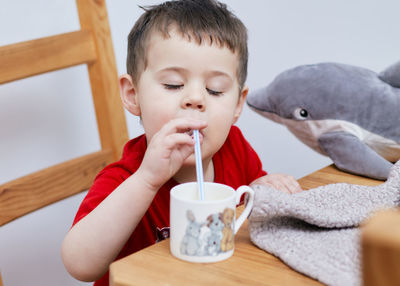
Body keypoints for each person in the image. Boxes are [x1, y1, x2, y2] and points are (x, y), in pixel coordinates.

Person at [61, 0, 302, 285]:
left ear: (238, 103)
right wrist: (148, 180)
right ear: (133, 94)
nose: (196, 99)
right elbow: (79, 264)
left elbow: (252, 208)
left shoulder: (234, 147)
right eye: (173, 84)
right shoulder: (126, 178)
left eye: (215, 90)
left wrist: (262, 190)